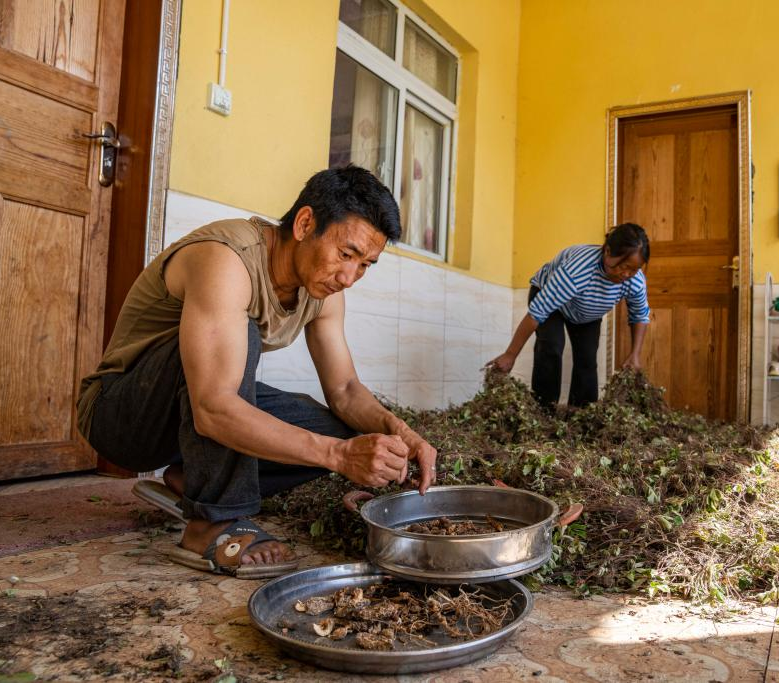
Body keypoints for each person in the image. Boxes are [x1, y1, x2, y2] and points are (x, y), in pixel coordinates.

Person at [76, 165, 438, 578]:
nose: (349, 277)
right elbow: (213, 408)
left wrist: (400, 433)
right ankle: (211, 522)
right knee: (246, 343)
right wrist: (335, 457)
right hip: (121, 415)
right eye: (346, 254)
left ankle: (192, 480)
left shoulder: (325, 292)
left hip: (186, 414)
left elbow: (345, 389)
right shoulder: (227, 260)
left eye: (365, 265)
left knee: (347, 431)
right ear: (305, 223)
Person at [487, 223, 651, 408]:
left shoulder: (634, 281)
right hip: (551, 301)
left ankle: (581, 416)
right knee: (552, 346)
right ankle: (544, 412)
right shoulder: (579, 270)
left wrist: (635, 354)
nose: (626, 274)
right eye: (623, 266)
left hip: (587, 311)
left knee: (587, 359)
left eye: (634, 269)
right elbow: (537, 312)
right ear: (607, 251)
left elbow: (639, 315)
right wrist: (510, 354)